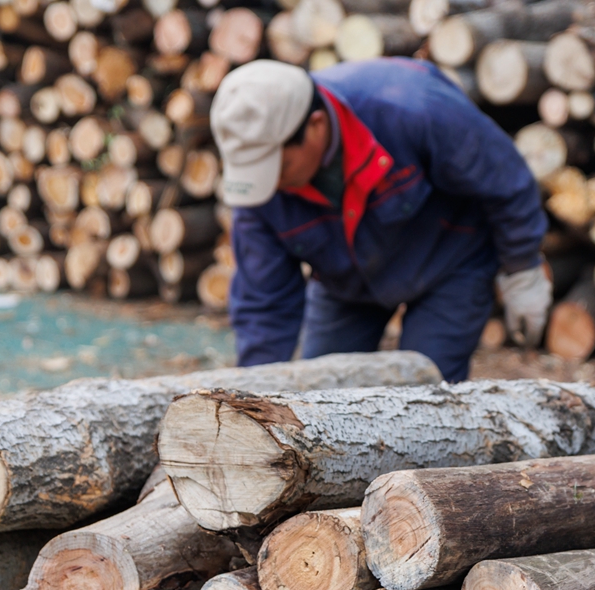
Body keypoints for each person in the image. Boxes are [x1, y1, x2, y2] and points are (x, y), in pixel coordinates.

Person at [209, 58, 551, 382]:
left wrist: (522, 268)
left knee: (427, 400)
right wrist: (253, 397)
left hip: (450, 264)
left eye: (279, 168)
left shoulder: (412, 106)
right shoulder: (256, 190)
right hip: (345, 286)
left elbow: (504, 179)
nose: (271, 184)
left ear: (315, 126)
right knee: (316, 398)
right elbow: (263, 303)